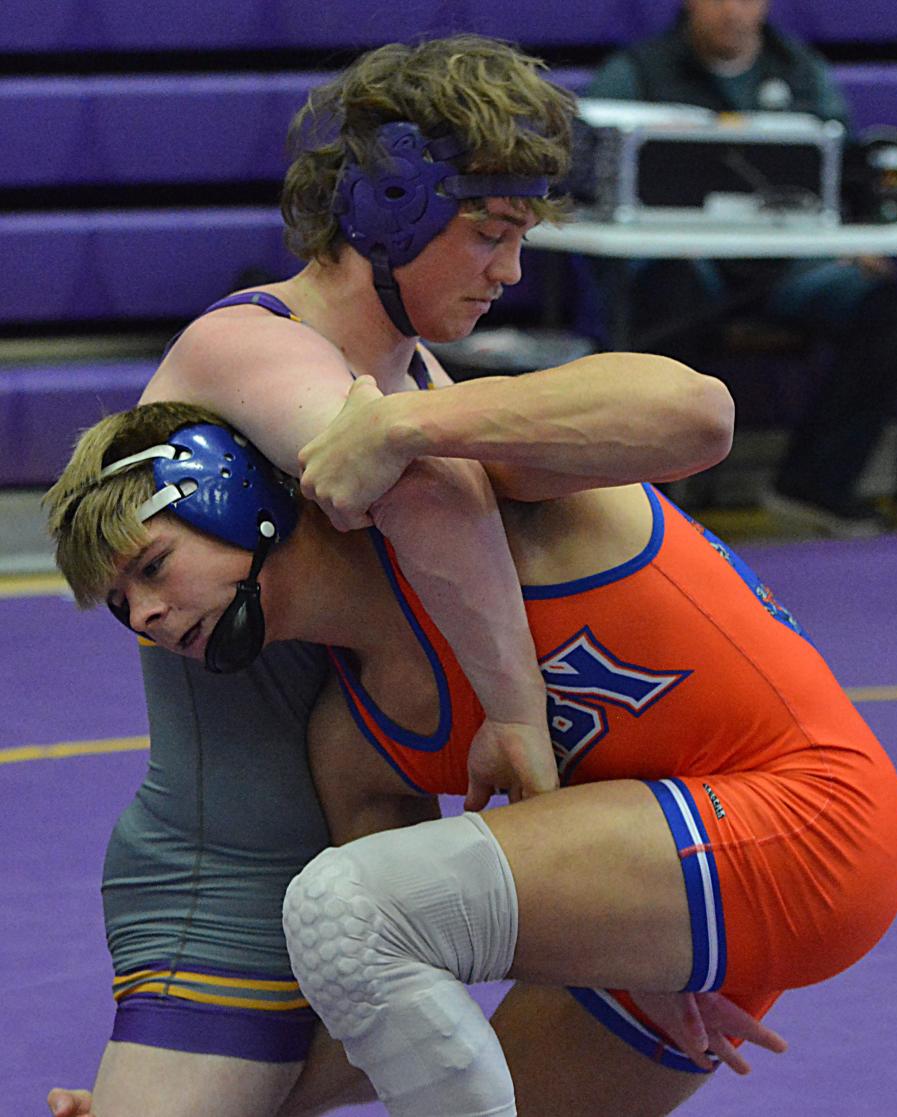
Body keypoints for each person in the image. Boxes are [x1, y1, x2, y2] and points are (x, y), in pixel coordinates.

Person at [44, 34, 736, 1117]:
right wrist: (515, 711)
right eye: (491, 233)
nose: (510, 272)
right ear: (393, 206)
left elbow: (687, 423)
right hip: (224, 876)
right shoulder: (247, 347)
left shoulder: (410, 378)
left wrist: (652, 932)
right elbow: (427, 495)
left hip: (379, 863)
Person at [47, 398, 897, 1117]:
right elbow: (376, 999)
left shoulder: (481, 503)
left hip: (817, 818)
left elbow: (699, 409)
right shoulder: (354, 742)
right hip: (691, 910)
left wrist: (409, 422)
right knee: (366, 950)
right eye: (122, 605)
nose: (150, 618)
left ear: (234, 498)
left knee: (342, 902)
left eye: (155, 567)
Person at [587, 0, 897, 535]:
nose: (732, 10)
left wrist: (854, 234)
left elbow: (848, 175)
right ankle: (654, 507)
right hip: (686, 263)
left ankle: (814, 484)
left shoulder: (802, 72)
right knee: (669, 303)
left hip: (791, 266)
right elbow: (585, 173)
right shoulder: (635, 72)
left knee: (890, 311)